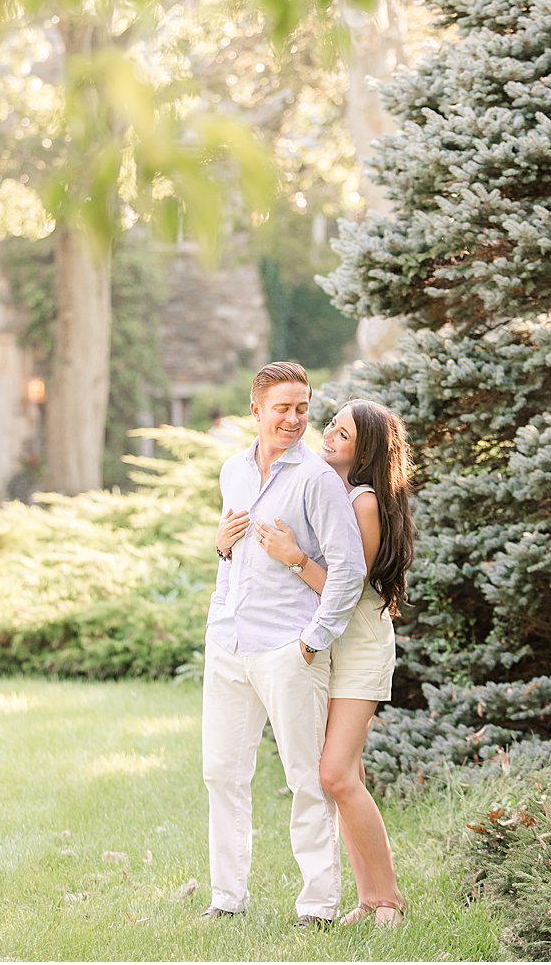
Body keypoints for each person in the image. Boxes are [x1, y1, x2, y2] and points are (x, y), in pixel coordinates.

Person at [224, 398, 415, 929]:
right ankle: (367, 899)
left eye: (343, 434)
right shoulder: (334, 491)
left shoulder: (365, 502)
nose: (327, 436)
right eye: (331, 427)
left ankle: (389, 901)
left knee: (334, 774)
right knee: (342, 774)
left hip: (360, 648)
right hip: (331, 647)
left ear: (366, 449)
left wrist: (294, 558)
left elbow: (348, 590)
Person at [200, 361, 366, 927]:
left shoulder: (316, 480)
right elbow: (235, 553)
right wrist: (222, 553)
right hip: (229, 642)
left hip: (287, 649)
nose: (294, 419)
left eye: (303, 408)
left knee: (304, 778)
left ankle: (317, 906)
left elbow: (349, 571)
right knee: (221, 772)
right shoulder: (233, 472)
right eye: (283, 408)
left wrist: (313, 641)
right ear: (256, 410)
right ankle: (227, 899)